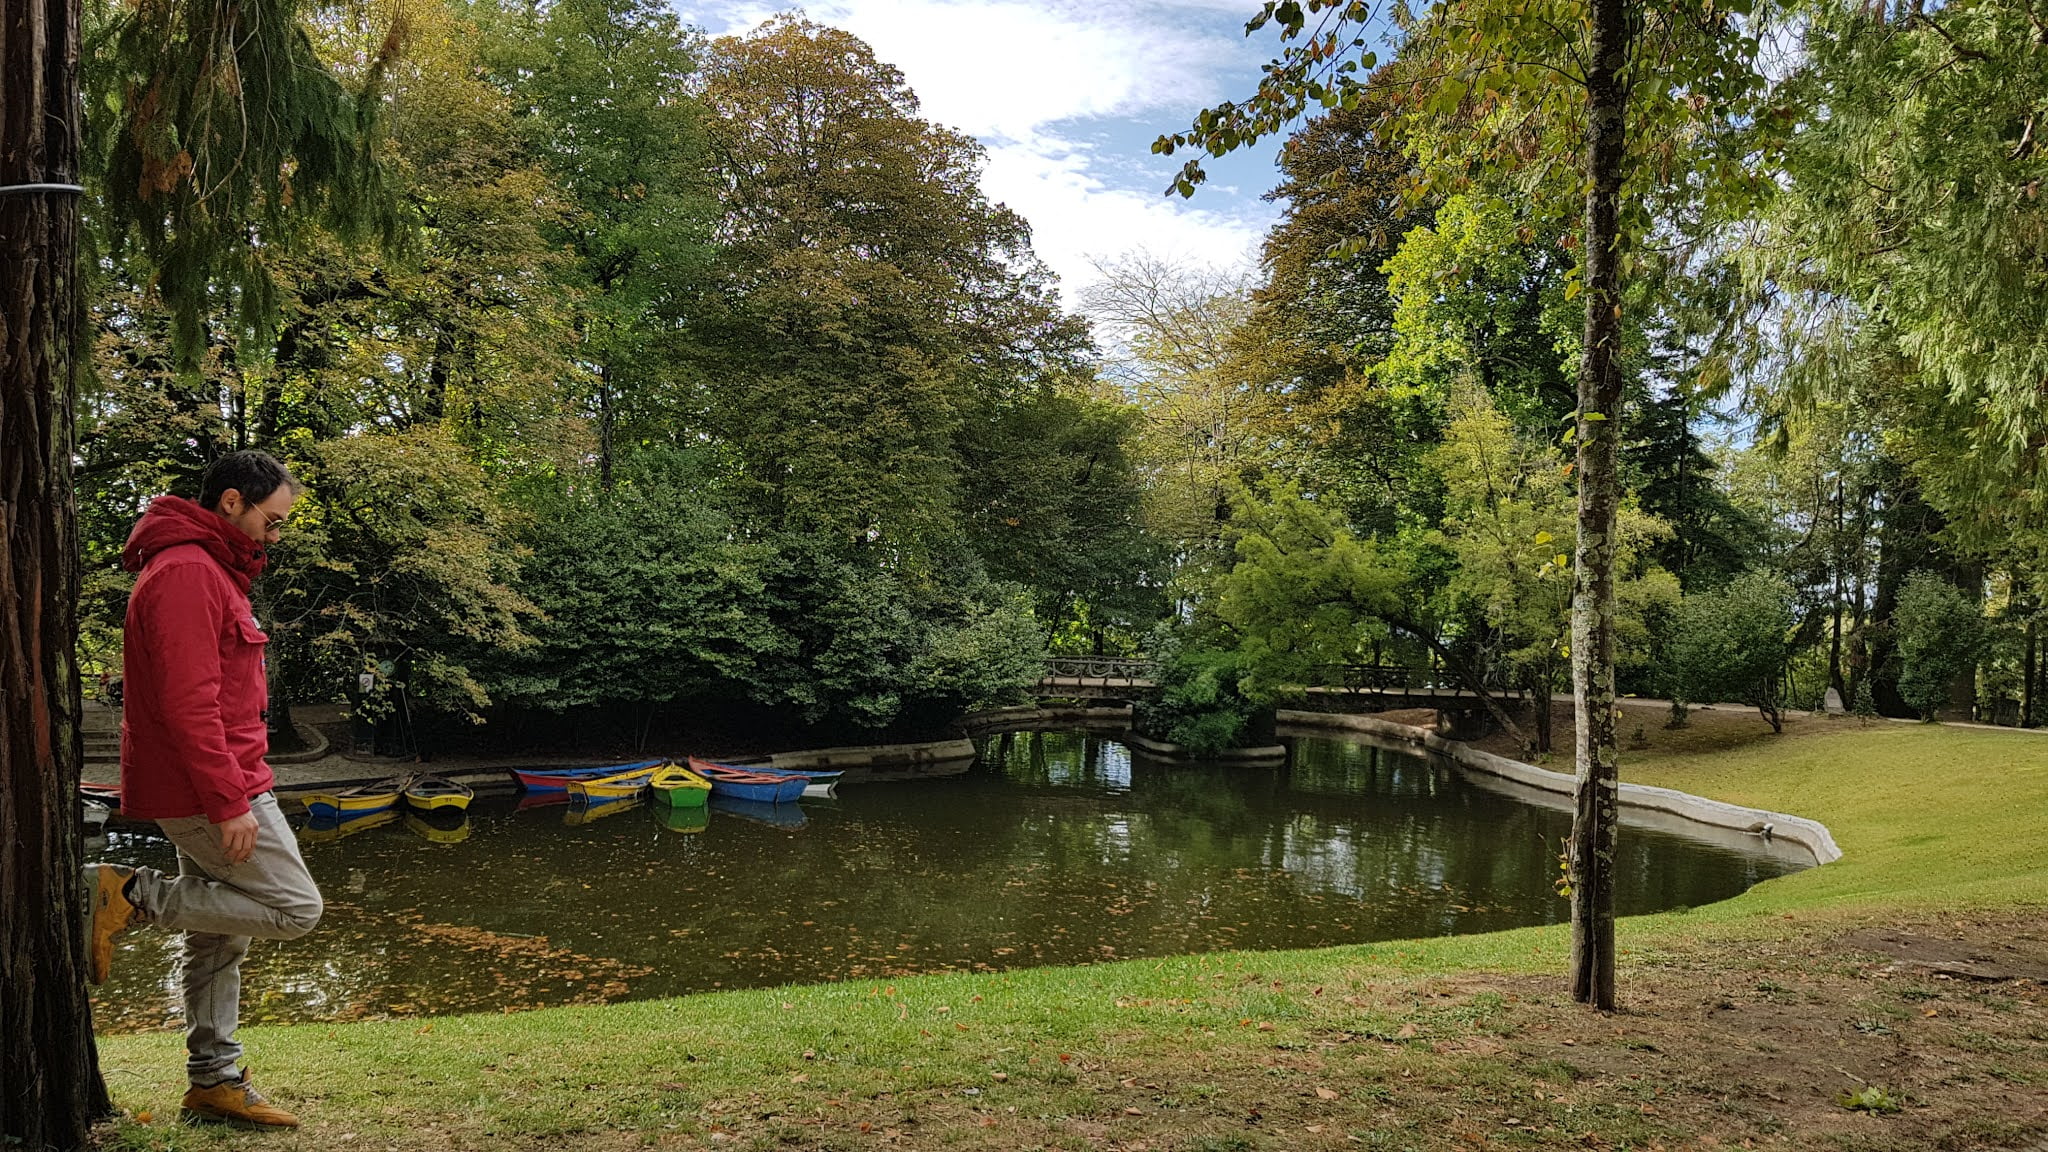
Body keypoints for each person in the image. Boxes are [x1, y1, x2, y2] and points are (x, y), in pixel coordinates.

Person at [83, 450, 323, 1129]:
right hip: (213, 789)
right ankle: (130, 893)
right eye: (272, 520)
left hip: (224, 780)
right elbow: (190, 704)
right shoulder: (188, 572)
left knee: (219, 934)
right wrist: (228, 802)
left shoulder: (208, 569)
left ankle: (214, 1081)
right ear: (231, 502)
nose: (275, 534)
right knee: (295, 909)